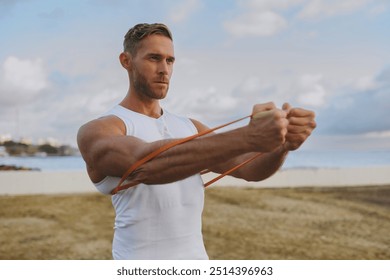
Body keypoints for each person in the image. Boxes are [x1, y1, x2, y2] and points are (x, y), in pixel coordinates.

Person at [77, 23, 316, 260]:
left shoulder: (190, 126)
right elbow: (145, 164)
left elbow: (249, 168)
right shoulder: (100, 129)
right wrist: (250, 136)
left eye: (170, 61)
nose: (164, 69)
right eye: (153, 58)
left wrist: (283, 145)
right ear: (126, 61)